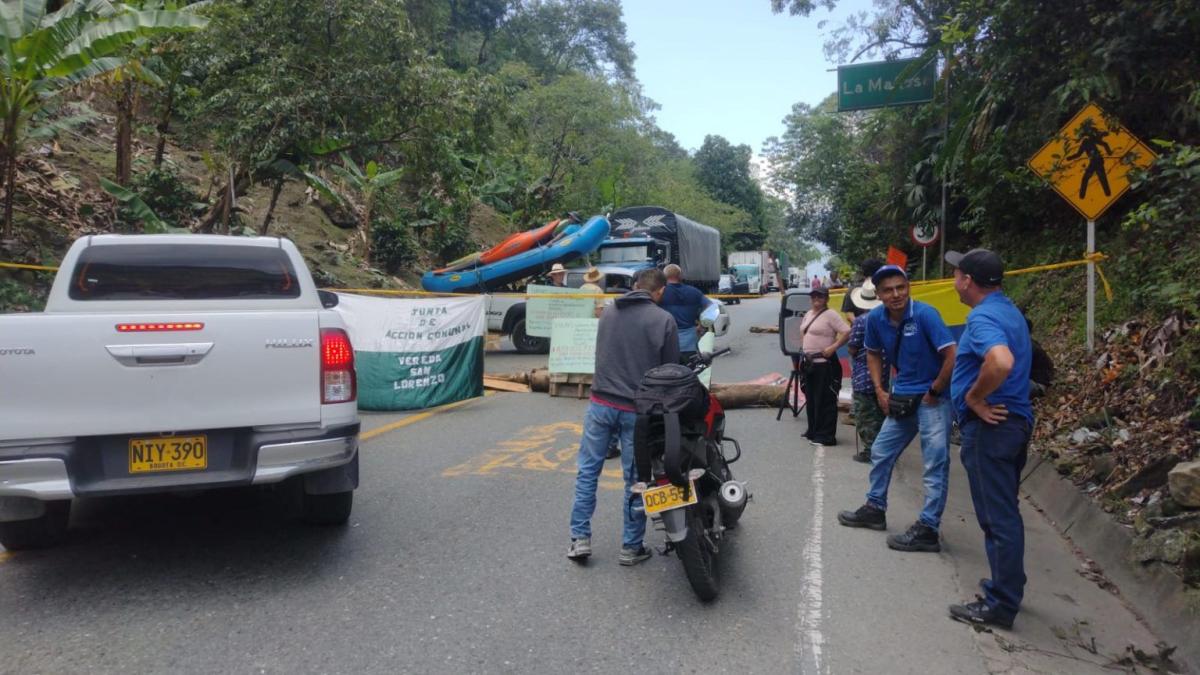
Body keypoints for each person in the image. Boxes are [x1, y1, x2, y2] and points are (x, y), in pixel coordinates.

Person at [837, 264, 956, 553]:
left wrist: (935, 390)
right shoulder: (876, 319)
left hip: (933, 400)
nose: (896, 294)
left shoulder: (926, 314)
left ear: (909, 287)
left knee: (934, 463)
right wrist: (880, 389)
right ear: (878, 294)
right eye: (888, 290)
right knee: (880, 452)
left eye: (900, 287)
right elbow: (873, 354)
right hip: (901, 397)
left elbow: (952, 354)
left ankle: (928, 528)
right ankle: (875, 508)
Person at [944, 249, 1034, 629]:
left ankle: (1000, 604)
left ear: (967, 280)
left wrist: (974, 397)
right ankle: (1008, 584)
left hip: (992, 428)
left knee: (997, 518)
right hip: (1013, 424)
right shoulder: (1008, 310)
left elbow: (1000, 362)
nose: (953, 280)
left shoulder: (983, 318)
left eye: (956, 273)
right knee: (1005, 511)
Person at [567, 268, 679, 566]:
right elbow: (669, 374)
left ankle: (579, 539)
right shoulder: (663, 320)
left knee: (588, 471)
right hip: (636, 411)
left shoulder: (609, 313)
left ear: (634, 286)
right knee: (635, 478)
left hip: (600, 403)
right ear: (660, 291)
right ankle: (631, 547)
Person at [799, 286, 850, 447]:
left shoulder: (831, 315)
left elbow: (847, 331)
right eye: (814, 296)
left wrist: (833, 347)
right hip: (809, 362)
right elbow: (804, 333)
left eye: (820, 297)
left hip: (824, 364)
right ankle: (813, 430)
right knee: (811, 397)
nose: (816, 299)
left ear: (826, 299)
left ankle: (826, 436)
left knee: (825, 399)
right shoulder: (808, 314)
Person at [847, 278, 886, 463]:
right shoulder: (887, 318)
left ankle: (871, 450)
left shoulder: (861, 321)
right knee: (880, 412)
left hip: (864, 373)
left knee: (865, 414)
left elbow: (853, 348)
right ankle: (882, 448)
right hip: (884, 373)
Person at [660, 264, 715, 362]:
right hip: (689, 344)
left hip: (666, 344)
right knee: (689, 373)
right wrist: (702, 325)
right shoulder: (694, 292)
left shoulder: (660, 293)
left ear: (664, 277)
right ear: (680, 276)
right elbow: (712, 308)